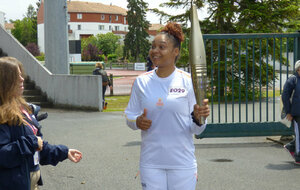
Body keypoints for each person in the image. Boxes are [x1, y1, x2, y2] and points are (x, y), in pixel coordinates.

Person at [124, 22, 210, 190]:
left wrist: (199, 118)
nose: (155, 51)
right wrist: (137, 121)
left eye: (161, 47)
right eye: (153, 46)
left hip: (182, 163)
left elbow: (198, 129)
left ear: (175, 52)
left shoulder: (188, 81)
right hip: (151, 163)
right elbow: (129, 115)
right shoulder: (142, 82)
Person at [0, 57, 83, 190]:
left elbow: (38, 146)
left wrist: (64, 152)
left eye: (21, 74)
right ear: (4, 81)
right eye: (16, 76)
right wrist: (30, 142)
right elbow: (3, 155)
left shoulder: (25, 109)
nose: (22, 79)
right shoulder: (2, 114)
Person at [282, 60, 300, 165]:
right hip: (296, 113)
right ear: (298, 69)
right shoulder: (293, 80)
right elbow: (285, 96)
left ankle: (290, 146)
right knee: (299, 135)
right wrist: (288, 112)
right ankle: (298, 157)